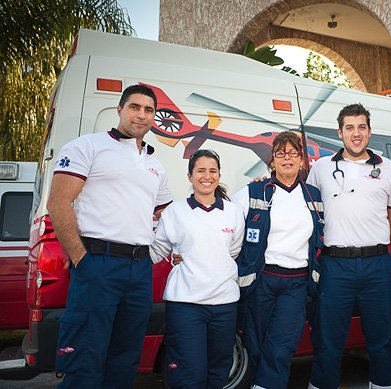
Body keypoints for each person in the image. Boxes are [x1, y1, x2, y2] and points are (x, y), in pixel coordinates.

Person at [47, 84, 173, 388]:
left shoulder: (155, 165)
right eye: (134, 107)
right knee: (86, 358)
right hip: (97, 265)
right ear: (119, 110)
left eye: (148, 110)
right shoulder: (87, 147)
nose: (141, 115)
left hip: (139, 271)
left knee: (125, 359)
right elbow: (58, 202)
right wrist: (81, 259)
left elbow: (168, 217)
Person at [307, 104, 391, 389]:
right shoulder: (321, 168)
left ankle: (384, 384)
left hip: (378, 264)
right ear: (340, 132)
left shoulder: (387, 168)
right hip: (335, 265)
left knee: (383, 339)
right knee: (327, 339)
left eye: (362, 127)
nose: (356, 133)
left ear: (370, 131)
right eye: (349, 127)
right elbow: (307, 205)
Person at [233, 131, 324, 389]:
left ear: (302, 160)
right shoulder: (253, 192)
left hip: (296, 283)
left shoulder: (313, 196)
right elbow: (227, 229)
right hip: (261, 281)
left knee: (282, 346)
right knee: (256, 344)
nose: (287, 158)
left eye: (293, 153)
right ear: (272, 160)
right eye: (280, 153)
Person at [150, 149, 245, 388]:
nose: (207, 176)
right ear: (190, 176)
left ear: (219, 175)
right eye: (200, 170)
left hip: (224, 304)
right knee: (189, 372)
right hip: (186, 306)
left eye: (212, 171)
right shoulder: (174, 212)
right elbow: (156, 250)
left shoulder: (233, 213)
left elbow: (232, 252)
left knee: (219, 371)